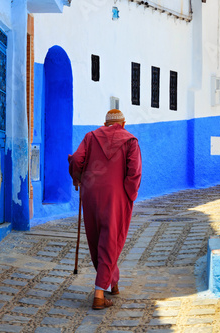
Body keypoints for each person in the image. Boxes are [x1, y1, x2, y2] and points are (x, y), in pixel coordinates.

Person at [68, 109, 142, 310]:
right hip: (116, 197)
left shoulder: (90, 137)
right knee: (111, 240)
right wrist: (128, 194)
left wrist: (79, 178)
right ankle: (99, 295)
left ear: (105, 123)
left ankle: (113, 282)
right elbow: (134, 172)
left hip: (91, 194)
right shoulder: (131, 141)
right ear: (123, 124)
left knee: (96, 238)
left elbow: (76, 159)